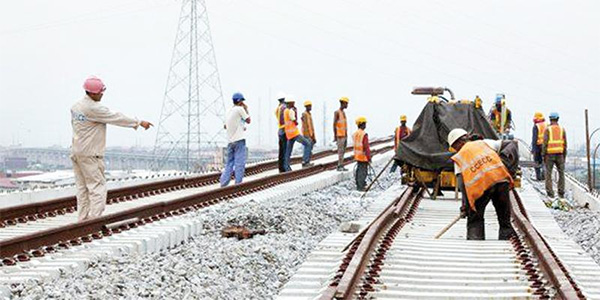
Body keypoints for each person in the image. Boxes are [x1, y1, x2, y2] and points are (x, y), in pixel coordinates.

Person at [71, 76, 152, 221]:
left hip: (77, 152)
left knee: (82, 188)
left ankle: (82, 219)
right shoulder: (93, 108)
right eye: (100, 92)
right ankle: (93, 220)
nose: (102, 94)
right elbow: (116, 117)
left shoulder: (76, 107)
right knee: (97, 187)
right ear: (93, 93)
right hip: (91, 154)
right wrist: (138, 122)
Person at [448, 128, 515, 240]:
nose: (455, 150)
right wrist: (507, 168)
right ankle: (505, 242)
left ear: (458, 143)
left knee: (475, 219)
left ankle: (476, 242)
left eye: (454, 147)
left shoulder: (459, 157)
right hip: (500, 181)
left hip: (481, 186)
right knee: (504, 220)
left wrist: (466, 206)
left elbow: (463, 185)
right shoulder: (486, 143)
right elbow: (511, 144)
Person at [220, 92, 251, 186]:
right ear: (240, 101)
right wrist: (246, 109)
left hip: (230, 141)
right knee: (239, 162)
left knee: (229, 163)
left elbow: (226, 126)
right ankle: (238, 183)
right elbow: (249, 120)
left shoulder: (228, 111)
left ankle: (224, 183)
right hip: (239, 140)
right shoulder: (240, 109)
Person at [283, 97, 313, 171]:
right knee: (308, 144)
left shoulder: (285, 111)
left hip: (289, 134)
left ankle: (286, 167)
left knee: (288, 151)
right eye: (293, 103)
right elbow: (295, 121)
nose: (294, 104)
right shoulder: (290, 111)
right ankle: (305, 162)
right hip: (294, 133)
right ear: (290, 103)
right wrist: (295, 115)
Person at [543, 112, 567, 199]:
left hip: (549, 155)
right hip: (560, 154)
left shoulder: (547, 129)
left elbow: (544, 143)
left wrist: (543, 155)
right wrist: (564, 155)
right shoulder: (562, 129)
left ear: (550, 119)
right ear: (558, 119)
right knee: (561, 173)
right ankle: (561, 193)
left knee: (548, 174)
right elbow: (565, 144)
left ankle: (550, 193)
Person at [353, 117, 371, 191]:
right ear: (362, 124)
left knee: (359, 170)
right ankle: (361, 186)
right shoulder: (364, 134)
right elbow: (366, 146)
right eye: (364, 123)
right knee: (363, 172)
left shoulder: (355, 133)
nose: (365, 125)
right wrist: (369, 157)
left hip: (357, 155)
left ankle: (358, 184)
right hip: (363, 156)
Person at [333, 97, 349, 171]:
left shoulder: (344, 113)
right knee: (340, 151)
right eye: (346, 103)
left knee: (343, 151)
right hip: (339, 135)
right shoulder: (337, 112)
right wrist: (335, 135)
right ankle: (339, 166)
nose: (347, 105)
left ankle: (341, 165)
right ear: (342, 103)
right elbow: (334, 124)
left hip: (344, 135)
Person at [531, 112, 547, 181]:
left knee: (536, 161)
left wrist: (533, 149)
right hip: (546, 146)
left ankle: (538, 176)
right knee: (544, 161)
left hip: (538, 146)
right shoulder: (547, 125)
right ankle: (544, 175)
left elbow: (534, 138)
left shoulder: (536, 126)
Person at [274, 92, 287, 173]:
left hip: (280, 130)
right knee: (285, 149)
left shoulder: (277, 108)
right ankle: (284, 167)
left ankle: (281, 167)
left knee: (281, 150)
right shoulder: (284, 107)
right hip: (285, 129)